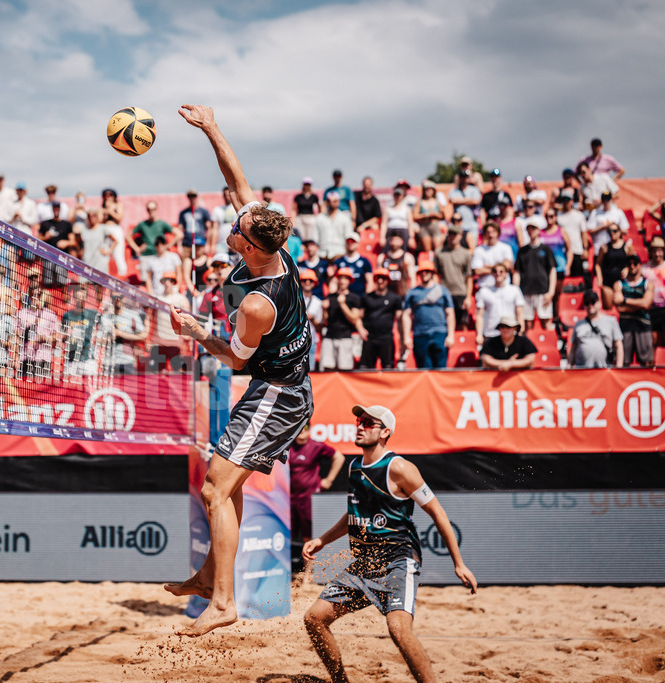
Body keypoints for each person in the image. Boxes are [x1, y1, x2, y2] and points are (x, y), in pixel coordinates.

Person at [164, 103, 313, 638]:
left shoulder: (256, 305)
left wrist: (198, 333)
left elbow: (236, 359)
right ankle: (210, 578)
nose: (233, 216)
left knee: (214, 490)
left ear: (248, 246)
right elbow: (236, 179)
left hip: (279, 392)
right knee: (225, 484)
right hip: (277, 384)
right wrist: (211, 127)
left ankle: (223, 601)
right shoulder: (271, 246)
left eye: (237, 224)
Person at [303, 404, 477, 683]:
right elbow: (354, 514)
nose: (359, 426)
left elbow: (437, 512)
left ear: (385, 432)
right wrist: (323, 540)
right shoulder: (355, 466)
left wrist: (459, 563)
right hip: (364, 564)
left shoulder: (400, 468)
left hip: (398, 560)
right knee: (314, 619)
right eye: (359, 421)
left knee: (398, 629)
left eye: (368, 423)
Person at [288, 425, 345, 572]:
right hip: (288, 498)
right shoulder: (288, 445)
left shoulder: (316, 446)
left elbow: (339, 457)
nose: (301, 433)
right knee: (286, 535)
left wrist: (329, 480)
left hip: (308, 498)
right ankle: (286, 573)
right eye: (299, 429)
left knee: (309, 536)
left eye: (305, 429)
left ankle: (308, 575)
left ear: (309, 430)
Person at [401, 260, 455, 369]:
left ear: (432, 273)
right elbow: (406, 315)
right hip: (420, 334)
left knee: (441, 369)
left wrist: (451, 335)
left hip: (439, 333)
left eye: (427, 271)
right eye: (422, 272)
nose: (424, 274)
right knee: (423, 370)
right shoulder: (412, 293)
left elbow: (450, 313)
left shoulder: (443, 291)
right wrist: (406, 337)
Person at [614, 254, 655, 367]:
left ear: (640, 266)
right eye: (629, 264)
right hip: (625, 327)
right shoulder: (619, 284)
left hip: (643, 326)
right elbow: (619, 306)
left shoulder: (648, 284)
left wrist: (625, 300)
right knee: (624, 362)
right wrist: (639, 303)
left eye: (635, 263)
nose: (632, 266)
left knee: (646, 362)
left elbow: (646, 304)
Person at [515, 222, 557, 331]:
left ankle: (548, 347)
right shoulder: (522, 251)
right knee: (527, 325)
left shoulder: (546, 249)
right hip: (526, 292)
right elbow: (517, 272)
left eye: (533, 228)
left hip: (543, 291)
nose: (531, 231)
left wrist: (551, 292)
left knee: (546, 322)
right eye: (529, 229)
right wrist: (517, 292)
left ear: (538, 230)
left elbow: (552, 271)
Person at [359, 268, 402, 369]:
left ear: (388, 281)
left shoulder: (394, 298)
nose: (380, 281)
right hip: (369, 338)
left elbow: (400, 318)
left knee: (388, 368)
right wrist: (360, 329)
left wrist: (403, 337)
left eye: (383, 278)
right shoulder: (366, 298)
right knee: (365, 369)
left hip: (386, 338)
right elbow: (358, 316)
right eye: (378, 278)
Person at [321, 268, 363, 371]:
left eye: (346, 278)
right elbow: (325, 321)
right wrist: (324, 310)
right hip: (329, 336)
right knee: (327, 368)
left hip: (345, 337)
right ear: (337, 279)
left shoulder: (354, 298)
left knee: (345, 369)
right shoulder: (330, 297)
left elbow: (354, 318)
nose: (343, 281)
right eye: (341, 278)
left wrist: (343, 305)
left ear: (350, 281)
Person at [568, 290, 623, 369]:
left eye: (593, 302)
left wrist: (619, 367)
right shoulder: (578, 324)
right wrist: (569, 366)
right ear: (584, 306)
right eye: (587, 303)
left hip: (604, 370)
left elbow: (619, 346)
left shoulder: (611, 321)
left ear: (599, 303)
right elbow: (573, 348)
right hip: (582, 370)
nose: (590, 305)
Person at [434, 222, 473, 330]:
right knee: (444, 323)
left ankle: (462, 346)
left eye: (455, 234)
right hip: (444, 292)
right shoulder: (439, 253)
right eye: (450, 234)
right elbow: (435, 274)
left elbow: (469, 277)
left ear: (460, 236)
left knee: (462, 323)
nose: (452, 237)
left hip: (460, 292)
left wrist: (468, 297)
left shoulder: (466, 254)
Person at [474, 263, 525, 344]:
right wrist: (479, 334)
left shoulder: (515, 290)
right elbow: (480, 315)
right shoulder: (484, 291)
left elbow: (519, 313)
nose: (498, 273)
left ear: (506, 274)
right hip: (491, 333)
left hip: (511, 333)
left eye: (501, 271)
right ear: (492, 274)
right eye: (495, 271)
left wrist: (520, 331)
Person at [595, 223, 634, 313]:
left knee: (622, 309)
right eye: (609, 231)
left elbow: (633, 262)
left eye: (614, 231)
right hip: (607, 282)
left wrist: (627, 269)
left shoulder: (627, 247)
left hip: (622, 283)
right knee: (608, 310)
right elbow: (598, 264)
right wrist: (599, 278)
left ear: (619, 232)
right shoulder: (604, 247)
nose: (612, 233)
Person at [315, 191, 355, 261]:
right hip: (322, 255)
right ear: (326, 202)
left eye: (334, 201)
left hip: (340, 254)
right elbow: (315, 239)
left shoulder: (345, 218)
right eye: (329, 201)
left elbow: (349, 238)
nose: (331, 203)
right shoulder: (319, 218)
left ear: (338, 202)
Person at [292, 176, 320, 241]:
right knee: (301, 237)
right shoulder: (298, 197)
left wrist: (318, 217)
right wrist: (293, 220)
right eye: (305, 184)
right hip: (300, 218)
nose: (307, 186)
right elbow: (294, 209)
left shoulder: (314, 197)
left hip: (310, 218)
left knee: (310, 237)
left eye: (308, 184)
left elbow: (319, 208)